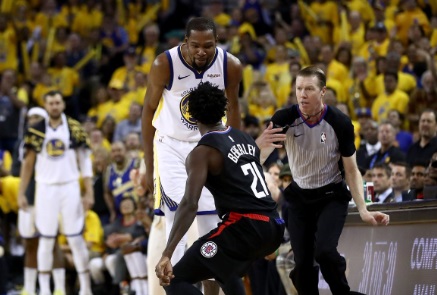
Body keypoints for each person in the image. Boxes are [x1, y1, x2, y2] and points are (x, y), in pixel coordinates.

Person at [261, 66, 389, 294]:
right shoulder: (284, 118)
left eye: (309, 89)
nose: (302, 94)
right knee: (302, 266)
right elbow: (258, 156)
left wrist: (363, 209)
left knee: (325, 252)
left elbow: (351, 170)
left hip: (331, 195)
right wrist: (260, 144)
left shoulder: (339, 122)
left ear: (322, 92)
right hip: (299, 198)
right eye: (299, 88)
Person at [141, 17, 242, 293]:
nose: (201, 51)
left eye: (208, 46)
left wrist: (233, 152)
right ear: (185, 42)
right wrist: (150, 167)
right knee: (178, 221)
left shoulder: (230, 65)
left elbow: (233, 108)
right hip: (171, 147)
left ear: (216, 43)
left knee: (212, 227)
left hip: (208, 144)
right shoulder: (165, 64)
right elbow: (148, 112)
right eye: (195, 45)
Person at [155, 81, 285, 295]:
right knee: (226, 271)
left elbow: (189, 204)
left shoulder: (202, 152)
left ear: (192, 116)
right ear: (224, 110)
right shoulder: (243, 137)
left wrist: (167, 253)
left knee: (174, 281)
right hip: (273, 225)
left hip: (245, 227)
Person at [18, 91, 94, 295]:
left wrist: (89, 192)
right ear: (45, 105)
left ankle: (86, 288)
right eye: (50, 103)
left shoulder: (74, 127)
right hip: (45, 189)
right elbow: (27, 164)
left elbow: (85, 162)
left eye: (57, 102)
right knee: (46, 239)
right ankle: (44, 290)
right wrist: (21, 192)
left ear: (63, 105)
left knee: (75, 238)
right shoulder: (35, 131)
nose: (54, 106)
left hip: (70, 187)